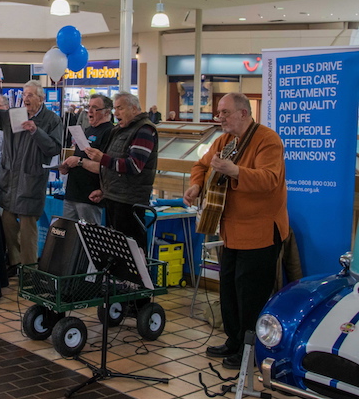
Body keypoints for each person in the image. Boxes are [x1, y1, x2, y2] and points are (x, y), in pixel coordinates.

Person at [183, 92, 288, 370]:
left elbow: (270, 179)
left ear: (244, 113)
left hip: (260, 232)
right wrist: (196, 185)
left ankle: (250, 349)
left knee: (250, 293)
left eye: (225, 113)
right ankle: (234, 340)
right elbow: (200, 165)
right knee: (228, 288)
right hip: (229, 232)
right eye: (218, 112)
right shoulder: (224, 140)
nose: (220, 118)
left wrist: (235, 170)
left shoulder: (268, 140)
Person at [0, 79, 62, 275]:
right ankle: (15, 263)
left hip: (30, 182)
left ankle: (29, 271)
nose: (25, 99)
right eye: (24, 95)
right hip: (9, 180)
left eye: (30, 95)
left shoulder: (51, 119)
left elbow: (54, 148)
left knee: (28, 230)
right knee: (7, 224)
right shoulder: (13, 115)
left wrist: (35, 131)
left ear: (41, 98)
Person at [84, 92, 158, 252]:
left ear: (133, 108)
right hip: (114, 198)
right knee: (115, 250)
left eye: (120, 108)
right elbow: (114, 166)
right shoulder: (119, 130)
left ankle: (132, 277)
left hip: (129, 202)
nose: (115, 113)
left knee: (131, 250)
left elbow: (134, 166)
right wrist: (105, 190)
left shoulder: (144, 130)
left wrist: (102, 158)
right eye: (115, 109)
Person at [58, 94, 114, 224]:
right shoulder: (88, 130)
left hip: (90, 196)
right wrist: (68, 166)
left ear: (106, 111)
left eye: (95, 108)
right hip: (72, 193)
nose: (90, 111)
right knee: (68, 238)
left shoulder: (110, 132)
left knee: (88, 238)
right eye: (89, 107)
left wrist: (79, 162)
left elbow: (105, 167)